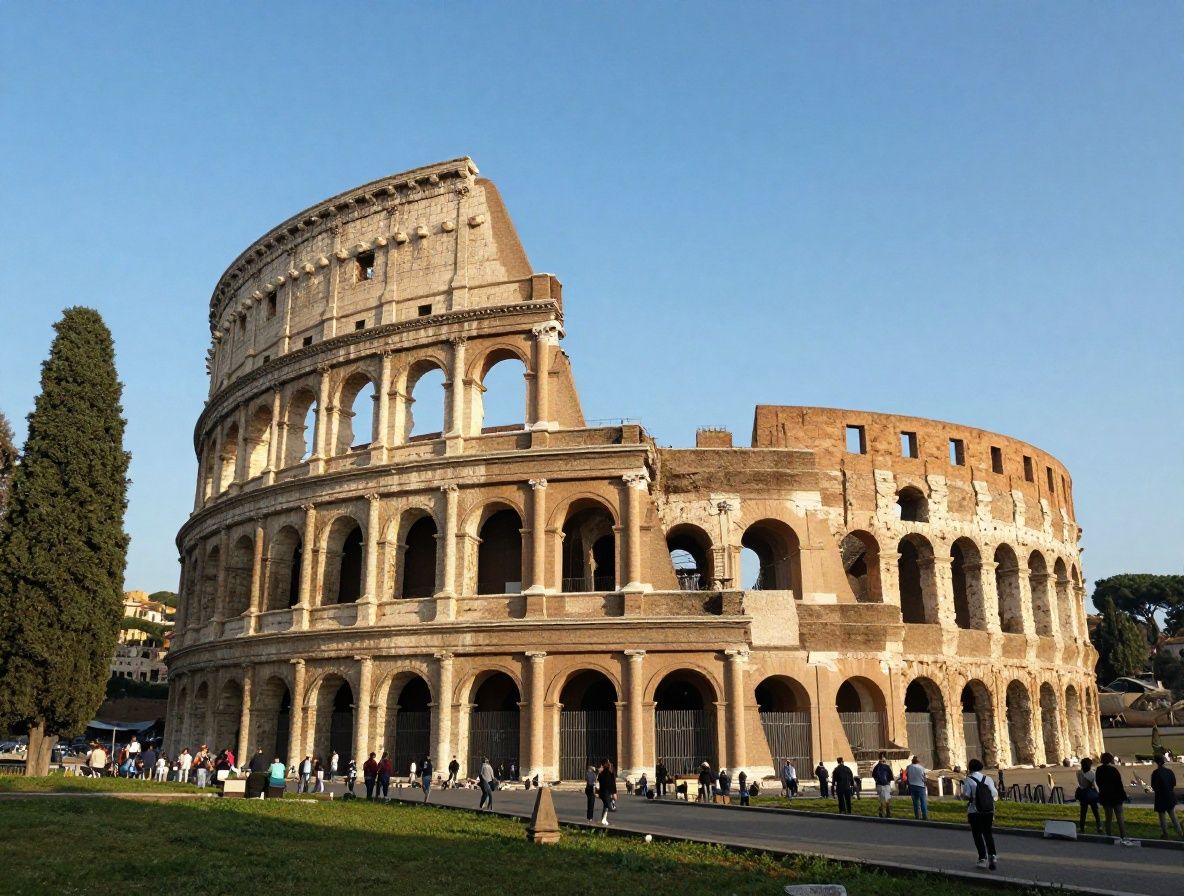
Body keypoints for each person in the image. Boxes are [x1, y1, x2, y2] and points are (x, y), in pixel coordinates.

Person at [962, 758, 998, 870]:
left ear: (969, 768)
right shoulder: (987, 778)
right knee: (988, 833)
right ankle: (993, 855)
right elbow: (994, 793)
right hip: (988, 810)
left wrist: (963, 797)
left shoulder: (968, 780)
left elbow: (966, 795)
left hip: (974, 811)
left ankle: (982, 858)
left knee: (977, 835)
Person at [1095, 752, 1130, 843]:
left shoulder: (1099, 770)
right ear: (1110, 760)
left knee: (1108, 817)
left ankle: (1109, 835)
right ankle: (1123, 835)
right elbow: (1119, 784)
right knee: (1120, 816)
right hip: (1116, 795)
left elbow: (1098, 782)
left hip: (1106, 795)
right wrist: (1123, 795)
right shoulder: (1114, 770)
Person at [1150, 755, 1182, 838]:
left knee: (1162, 816)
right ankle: (1179, 832)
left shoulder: (1155, 773)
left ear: (1157, 762)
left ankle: (1165, 833)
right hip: (1170, 795)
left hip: (1160, 797)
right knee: (1173, 815)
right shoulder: (1169, 771)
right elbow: (1173, 783)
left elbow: (1154, 786)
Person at [1076, 757, 1102, 833]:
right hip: (1091, 794)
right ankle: (1099, 826)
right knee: (1095, 811)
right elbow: (1094, 785)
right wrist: (1098, 793)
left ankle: (1082, 827)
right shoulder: (1092, 773)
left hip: (1082, 793)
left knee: (1083, 812)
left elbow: (1080, 783)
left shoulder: (1078, 772)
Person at [872, 752, 894, 818]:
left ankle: (882, 813)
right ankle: (887, 813)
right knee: (887, 800)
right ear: (884, 758)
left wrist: (877, 781)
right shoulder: (887, 767)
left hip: (879, 785)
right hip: (886, 785)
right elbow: (890, 777)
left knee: (882, 800)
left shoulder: (876, 767)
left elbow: (874, 776)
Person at [906, 756, 929, 820]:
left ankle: (917, 816)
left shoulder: (908, 767)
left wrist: (908, 784)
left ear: (912, 761)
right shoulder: (921, 768)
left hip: (912, 786)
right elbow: (925, 779)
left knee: (915, 802)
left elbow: (907, 776)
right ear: (919, 762)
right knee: (923, 801)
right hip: (920, 786)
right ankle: (925, 816)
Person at [597, 758, 617, 826]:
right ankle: (604, 819)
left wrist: (614, 793)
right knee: (607, 805)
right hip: (604, 791)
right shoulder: (602, 773)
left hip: (607, 791)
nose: (609, 763)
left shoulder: (610, 773)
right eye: (608, 762)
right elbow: (599, 781)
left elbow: (613, 783)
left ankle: (604, 819)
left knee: (606, 806)